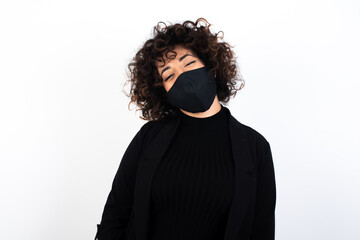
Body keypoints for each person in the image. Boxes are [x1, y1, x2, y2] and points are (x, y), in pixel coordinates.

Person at [95, 17, 276, 240]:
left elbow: (261, 230)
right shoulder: (149, 138)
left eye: (188, 64)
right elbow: (116, 214)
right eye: (169, 75)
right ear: (165, 92)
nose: (183, 78)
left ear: (213, 68)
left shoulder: (255, 148)